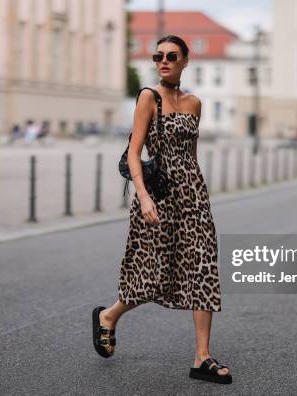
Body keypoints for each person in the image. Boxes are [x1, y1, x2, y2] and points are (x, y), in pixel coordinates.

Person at [91, 35, 232, 384]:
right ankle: (109, 316)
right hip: (158, 196)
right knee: (152, 274)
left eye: (171, 56)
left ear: (185, 60)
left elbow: (193, 155)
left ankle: (202, 357)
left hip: (193, 197)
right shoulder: (148, 97)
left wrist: (199, 196)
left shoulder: (194, 103)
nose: (163, 61)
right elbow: (133, 153)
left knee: (202, 269)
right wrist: (143, 196)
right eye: (158, 56)